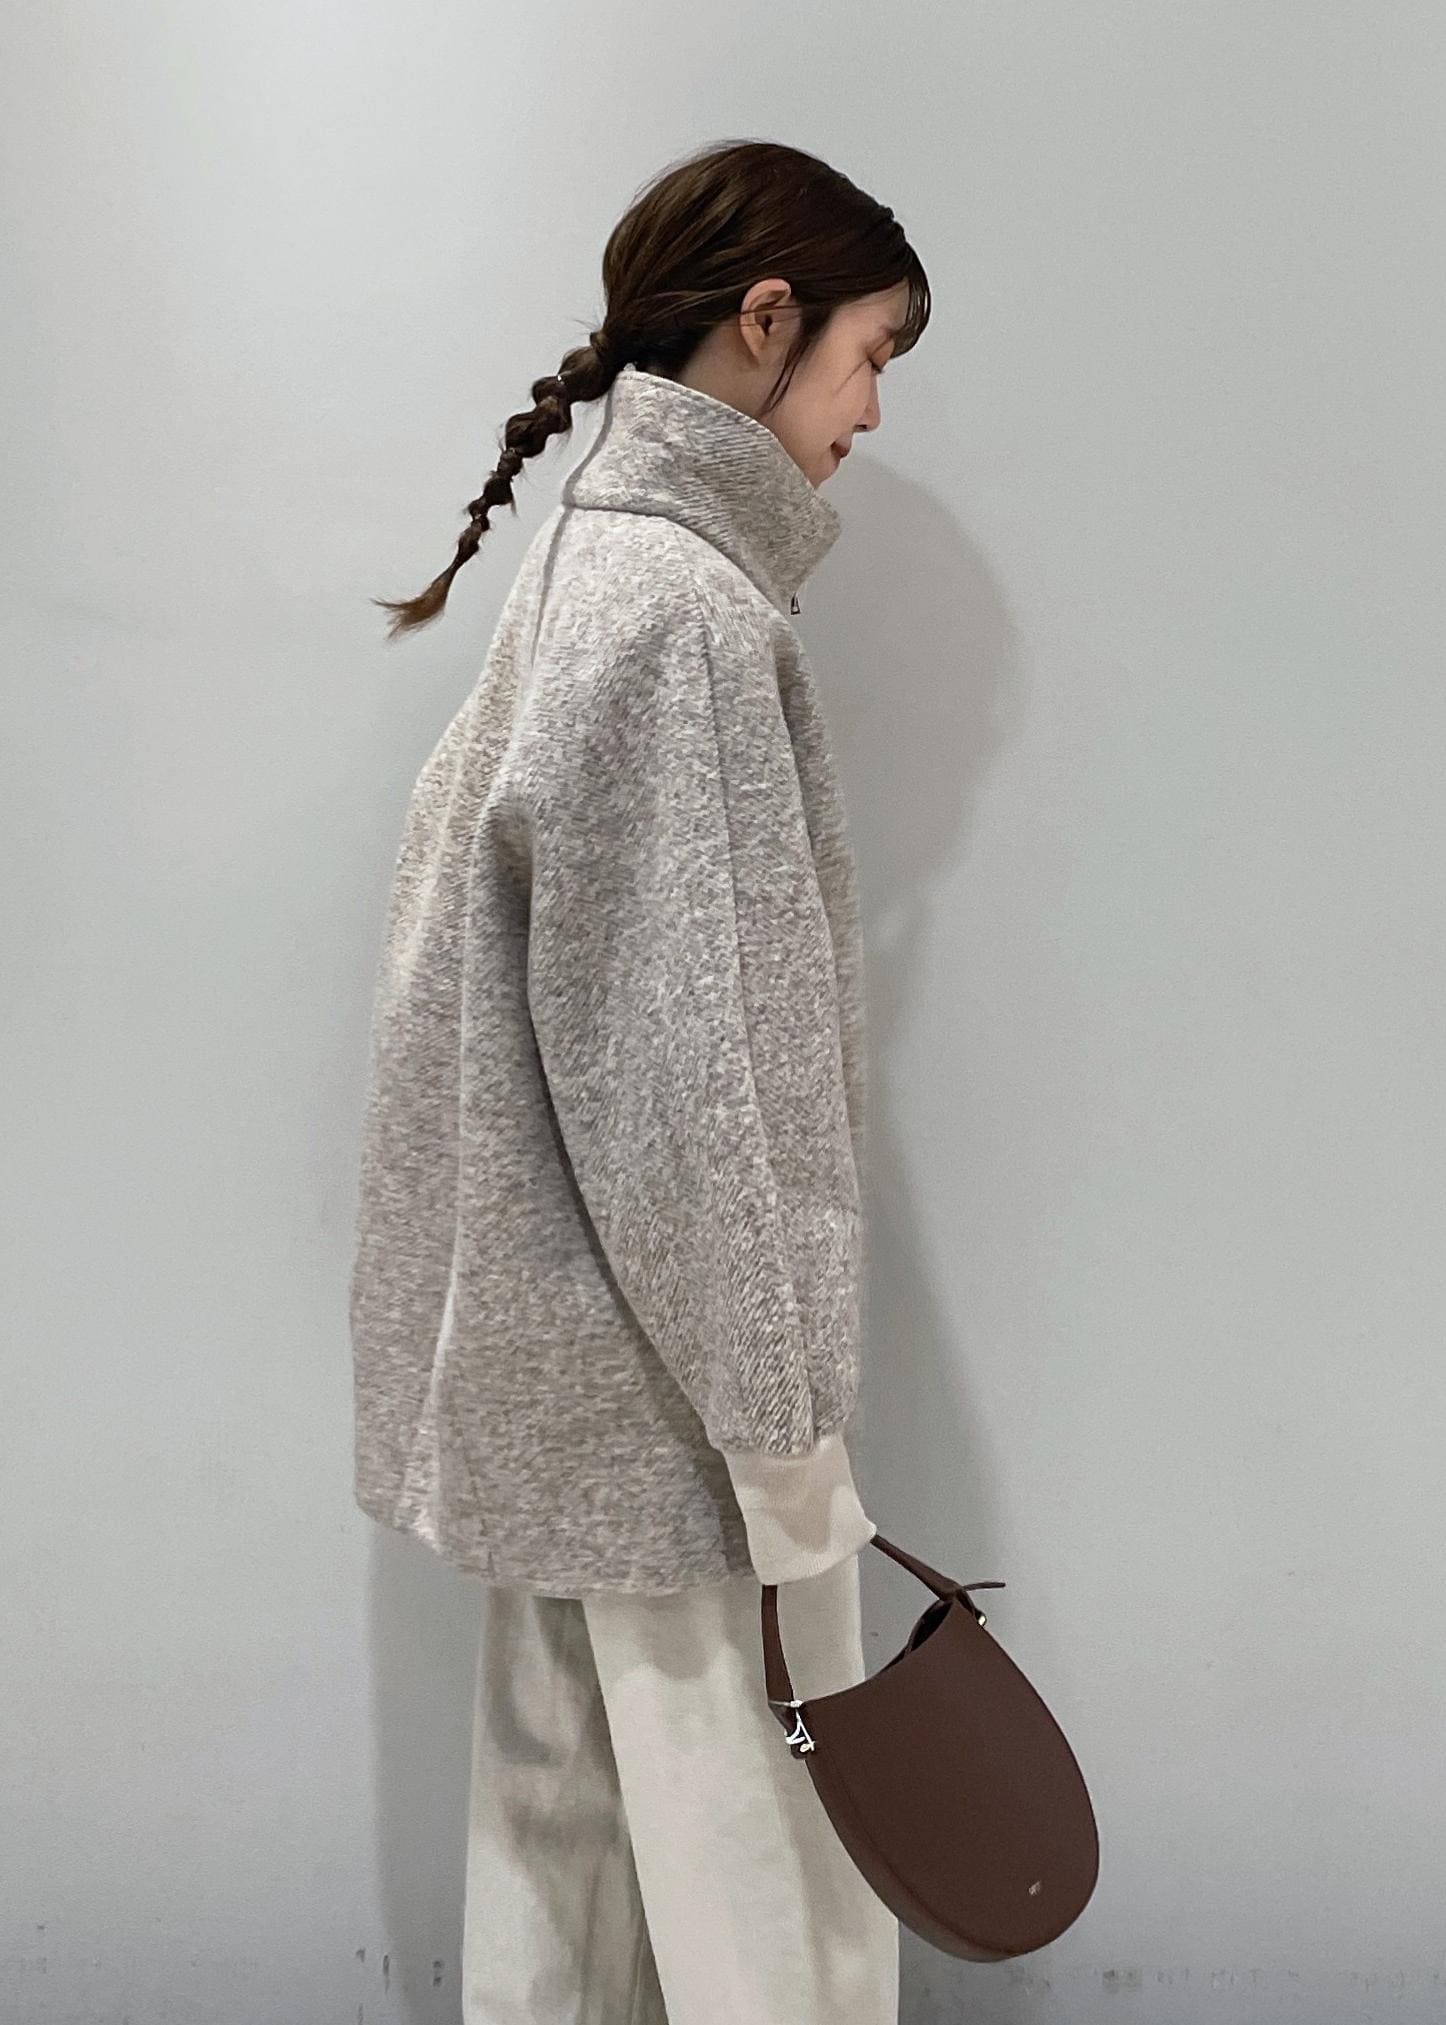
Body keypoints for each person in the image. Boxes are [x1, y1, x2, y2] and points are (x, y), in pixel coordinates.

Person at [348, 135, 930, 2024]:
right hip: (680, 1407)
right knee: (780, 1910)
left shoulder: (589, 568)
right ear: (764, 322)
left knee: (567, 1861)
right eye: (867, 356)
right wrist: (780, 1438)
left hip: (560, 1380)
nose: (869, 413)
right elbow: (674, 1082)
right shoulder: (677, 610)